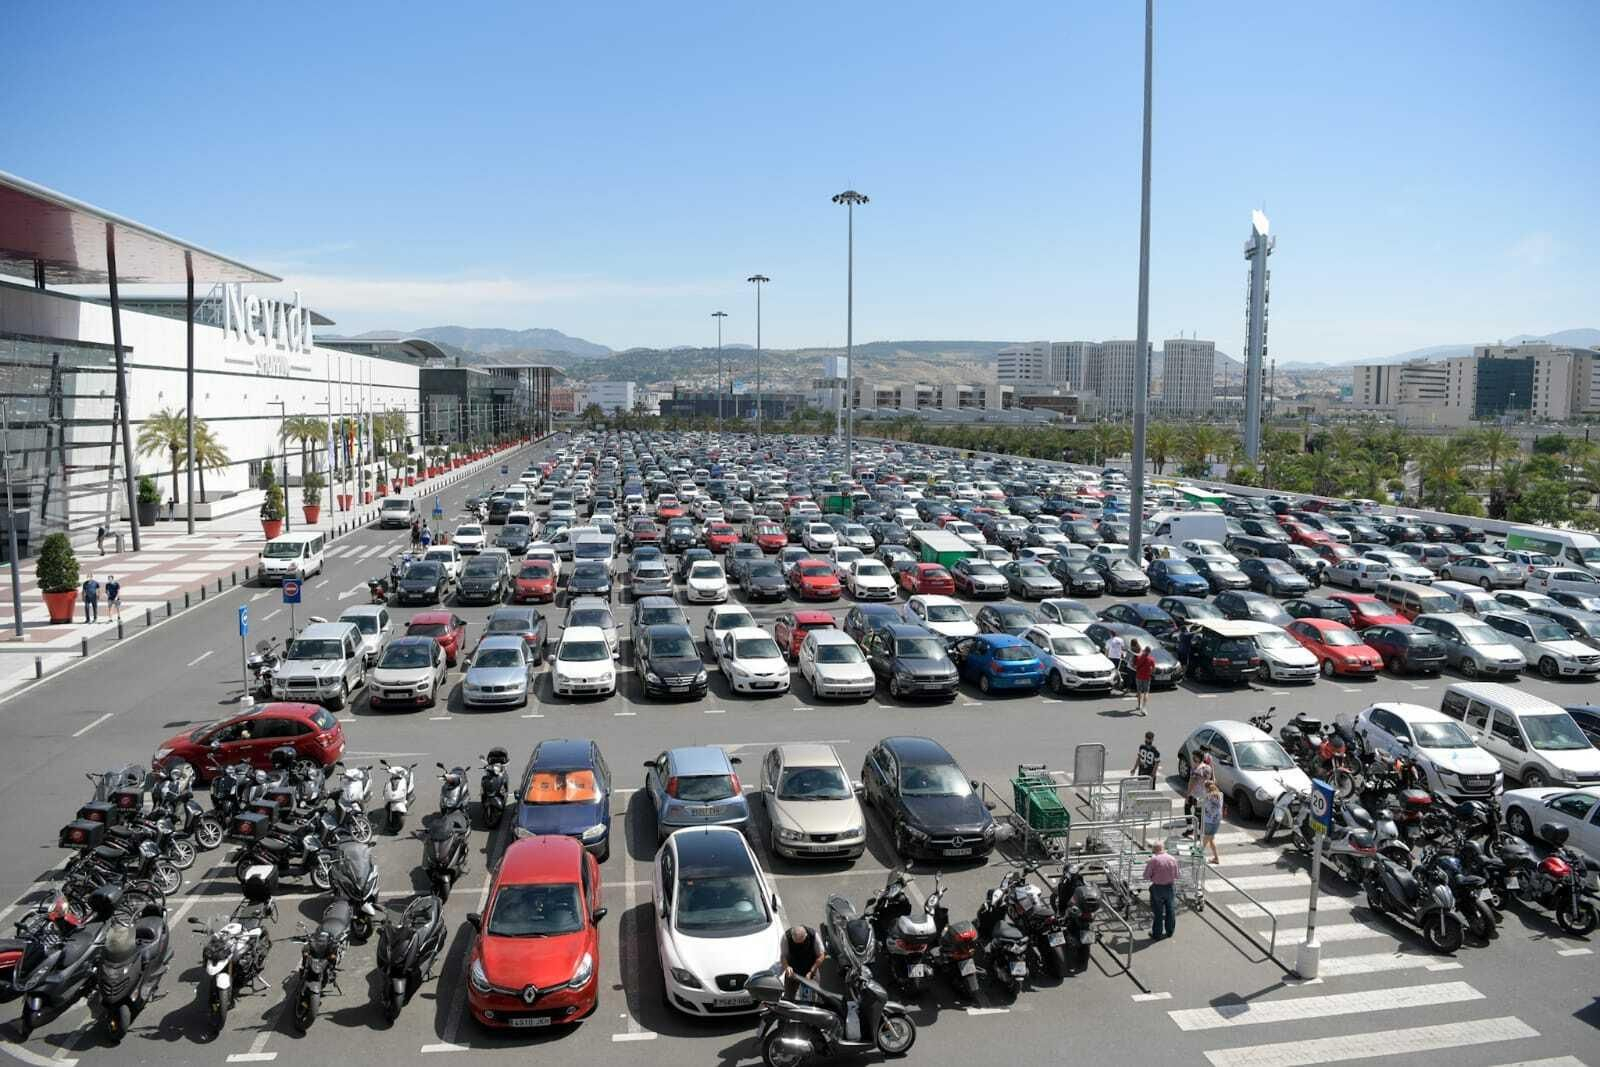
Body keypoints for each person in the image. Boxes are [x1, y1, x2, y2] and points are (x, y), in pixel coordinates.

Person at [1143, 842, 1180, 940]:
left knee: (1158, 912)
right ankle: (1170, 931)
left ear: (1154, 850)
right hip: (1170, 887)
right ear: (1163, 848)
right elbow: (1177, 875)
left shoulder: (1153, 860)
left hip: (1158, 888)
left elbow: (1146, 876)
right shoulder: (1172, 859)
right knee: (1170, 910)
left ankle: (1157, 934)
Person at [782, 924, 826, 1002]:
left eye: (801, 942)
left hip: (811, 967)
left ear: (805, 936)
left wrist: (811, 971)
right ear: (792, 937)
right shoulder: (786, 937)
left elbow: (821, 956)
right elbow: (783, 956)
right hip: (793, 970)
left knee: (812, 997)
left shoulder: (814, 936)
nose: (799, 945)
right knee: (788, 996)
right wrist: (787, 966)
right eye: (796, 943)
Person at [1184, 753, 1213, 835]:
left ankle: (1190, 828)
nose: (1192, 758)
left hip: (1195, 795)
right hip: (1204, 795)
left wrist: (1187, 795)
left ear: (1197, 758)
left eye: (1194, 757)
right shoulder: (1207, 768)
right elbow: (1210, 780)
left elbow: (1192, 783)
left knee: (1188, 808)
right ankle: (1200, 833)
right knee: (1200, 814)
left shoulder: (1196, 769)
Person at [1201, 779, 1224, 864]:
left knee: (1206, 838)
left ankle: (1199, 853)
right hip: (1217, 821)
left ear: (1207, 788)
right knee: (1211, 839)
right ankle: (1216, 858)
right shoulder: (1220, 794)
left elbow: (1204, 806)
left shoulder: (1208, 796)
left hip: (1208, 821)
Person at [1132, 641, 1156, 715]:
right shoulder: (1152, 659)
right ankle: (1144, 707)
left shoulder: (1139, 657)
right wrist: (1150, 673)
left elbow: (1134, 666)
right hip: (1147, 677)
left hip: (1138, 676)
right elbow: (1154, 668)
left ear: (1145, 650)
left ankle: (1139, 706)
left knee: (1139, 691)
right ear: (1149, 652)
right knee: (1146, 692)